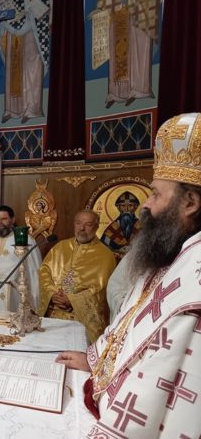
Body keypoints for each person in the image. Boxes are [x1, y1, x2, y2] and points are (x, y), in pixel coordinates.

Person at [56, 113, 201, 437]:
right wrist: (97, 360)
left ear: (190, 202)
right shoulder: (172, 253)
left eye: (155, 194)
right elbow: (136, 323)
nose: (145, 205)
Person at [39, 210, 116, 342]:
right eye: (78, 223)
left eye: (88, 224)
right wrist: (52, 294)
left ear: (97, 227)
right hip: (51, 316)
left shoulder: (106, 255)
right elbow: (44, 271)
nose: (82, 228)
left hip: (80, 321)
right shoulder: (60, 247)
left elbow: (101, 289)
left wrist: (72, 300)